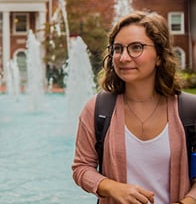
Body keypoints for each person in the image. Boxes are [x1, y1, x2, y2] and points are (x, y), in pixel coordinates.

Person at [72, 11, 196, 204]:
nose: (123, 57)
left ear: (159, 56)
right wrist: (112, 188)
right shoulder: (97, 109)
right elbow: (81, 167)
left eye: (136, 48)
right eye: (118, 49)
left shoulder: (190, 110)